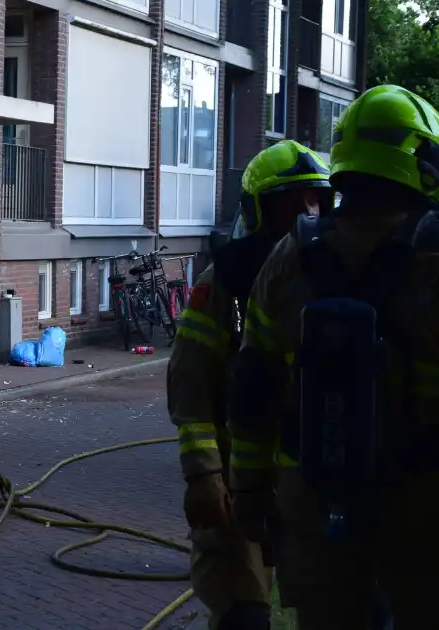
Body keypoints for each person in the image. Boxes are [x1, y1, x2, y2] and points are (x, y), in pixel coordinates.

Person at [228, 84, 439, 629]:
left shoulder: (292, 253)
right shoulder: (432, 253)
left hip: (315, 500)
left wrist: (248, 489)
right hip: (422, 504)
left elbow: (253, 382)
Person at [167, 140, 332, 630]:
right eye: (295, 201)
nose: (310, 212)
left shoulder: (339, 275)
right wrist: (203, 474)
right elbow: (191, 382)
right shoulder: (223, 283)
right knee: (245, 614)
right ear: (260, 210)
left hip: (311, 480)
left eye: (319, 199)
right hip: (236, 480)